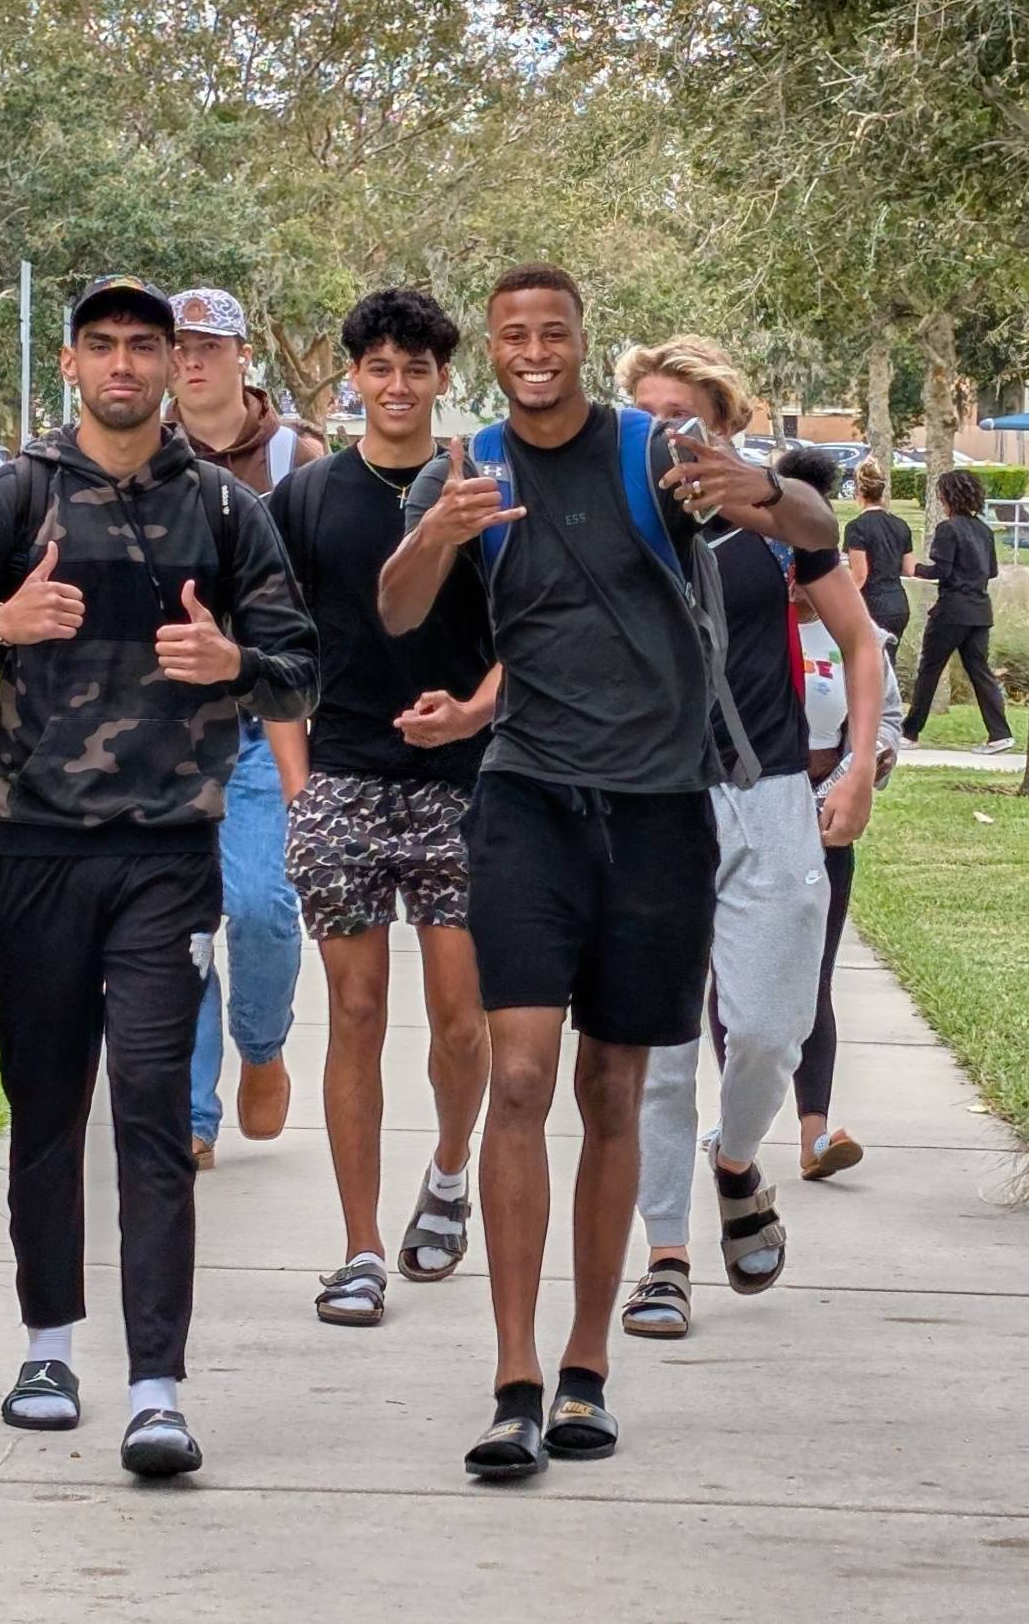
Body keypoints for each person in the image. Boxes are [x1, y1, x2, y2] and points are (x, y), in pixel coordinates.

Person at [380, 270, 835, 1480]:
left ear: (582, 344)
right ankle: (513, 1379)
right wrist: (433, 532)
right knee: (520, 1078)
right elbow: (394, 606)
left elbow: (814, 532)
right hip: (525, 801)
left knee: (613, 1089)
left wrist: (764, 492)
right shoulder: (467, 465)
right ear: (493, 349)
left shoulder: (656, 448)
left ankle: (587, 1369)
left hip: (655, 814)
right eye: (514, 336)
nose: (534, 353)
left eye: (555, 334)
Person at [0, 274, 318, 1479]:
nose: (124, 366)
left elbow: (298, 671)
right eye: (102, 347)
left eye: (145, 348)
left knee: (154, 1116)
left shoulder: (225, 512)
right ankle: (48, 1348)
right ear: (71, 365)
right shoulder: (14, 500)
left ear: (177, 367)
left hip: (166, 856)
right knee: (48, 1109)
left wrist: (230, 655)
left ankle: (159, 1390)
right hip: (34, 852)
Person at [615, 337, 881, 1343]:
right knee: (659, 1049)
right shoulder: (616, 522)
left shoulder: (774, 528)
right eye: (642, 418)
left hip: (765, 796)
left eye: (679, 418)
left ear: (722, 426)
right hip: (643, 801)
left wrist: (855, 765)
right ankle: (665, 1257)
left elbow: (857, 639)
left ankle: (735, 1159)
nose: (660, 437)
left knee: (769, 1029)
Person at [265, 288, 496, 1327]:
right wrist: (294, 776)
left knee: (459, 1018)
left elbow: (527, 638)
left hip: (464, 783)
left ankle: (447, 1173)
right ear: (350, 378)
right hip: (343, 776)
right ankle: (357, 1247)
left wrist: (475, 717)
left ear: (443, 378)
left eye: (416, 368)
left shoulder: (482, 492)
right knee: (353, 1013)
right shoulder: (309, 498)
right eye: (378, 368)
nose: (396, 386)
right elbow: (274, 649)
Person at [707, 445, 904, 1183]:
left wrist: (865, 766)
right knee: (734, 985)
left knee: (806, 977)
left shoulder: (852, 634)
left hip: (822, 815)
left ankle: (814, 1133)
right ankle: (741, 1124)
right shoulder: (741, 619)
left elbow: (882, 713)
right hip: (745, 801)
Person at [165, 286, 324, 1168]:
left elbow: (323, 589)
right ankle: (193, 1111)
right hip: (167, 733)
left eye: (209, 347)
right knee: (184, 921)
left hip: (267, 725)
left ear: (240, 359)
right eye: (179, 347)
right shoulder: (141, 453)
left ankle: (262, 1049)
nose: (191, 362)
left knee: (262, 907)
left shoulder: (292, 455)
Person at [902, 470, 1014, 753]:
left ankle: (910, 732)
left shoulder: (947, 529)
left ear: (947, 497)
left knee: (930, 669)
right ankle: (1000, 733)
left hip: (951, 612)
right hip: (979, 611)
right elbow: (991, 571)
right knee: (980, 671)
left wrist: (914, 568)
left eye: (941, 494)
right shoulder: (984, 530)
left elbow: (941, 571)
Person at [843, 457, 915, 664]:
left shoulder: (857, 527)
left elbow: (860, 576)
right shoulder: (900, 525)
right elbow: (909, 569)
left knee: (868, 662)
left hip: (873, 603)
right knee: (889, 661)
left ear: (859, 493)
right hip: (899, 602)